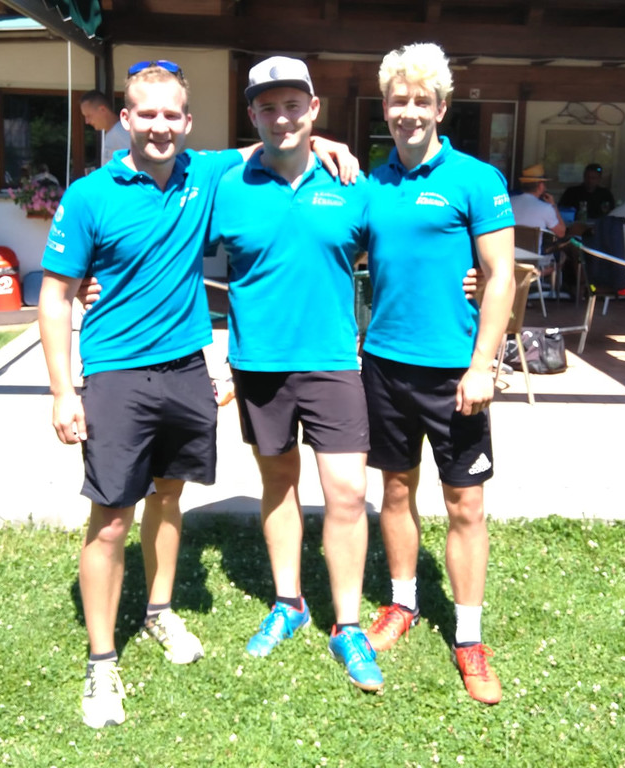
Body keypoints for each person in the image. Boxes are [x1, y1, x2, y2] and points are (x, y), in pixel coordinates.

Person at [40, 61, 356, 729]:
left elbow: (273, 143)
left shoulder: (203, 173)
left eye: (171, 115)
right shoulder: (90, 195)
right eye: (146, 114)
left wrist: (325, 141)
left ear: (187, 122)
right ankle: (101, 661)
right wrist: (63, 391)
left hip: (186, 368)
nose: (159, 126)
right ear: (126, 119)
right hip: (116, 372)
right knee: (111, 518)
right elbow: (56, 295)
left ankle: (157, 611)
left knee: (168, 496)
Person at [210, 56, 383, 693]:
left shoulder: (352, 184)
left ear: (314, 109)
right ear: (252, 114)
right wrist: (94, 281)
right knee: (278, 482)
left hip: (334, 363)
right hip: (259, 365)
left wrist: (469, 279)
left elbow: (402, 249)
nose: (281, 117)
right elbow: (165, 239)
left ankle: (348, 624)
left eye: (293, 106)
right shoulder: (226, 184)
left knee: (346, 493)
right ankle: (290, 602)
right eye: (267, 107)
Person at [361, 43, 515, 706]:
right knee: (395, 492)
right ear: (386, 107)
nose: (409, 112)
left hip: (456, 372)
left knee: (465, 504)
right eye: (399, 100)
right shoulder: (370, 183)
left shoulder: (476, 179)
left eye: (421, 100)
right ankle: (403, 602)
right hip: (384, 365)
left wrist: (483, 364)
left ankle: (470, 637)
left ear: (441, 108)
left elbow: (502, 276)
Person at [510, 163, 566, 241]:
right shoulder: (546, 208)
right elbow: (561, 233)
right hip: (532, 249)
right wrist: (554, 206)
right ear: (540, 186)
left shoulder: (509, 202)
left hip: (509, 248)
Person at [79, 89, 130, 165]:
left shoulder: (122, 132)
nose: (87, 121)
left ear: (102, 110)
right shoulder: (112, 133)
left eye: (89, 116)